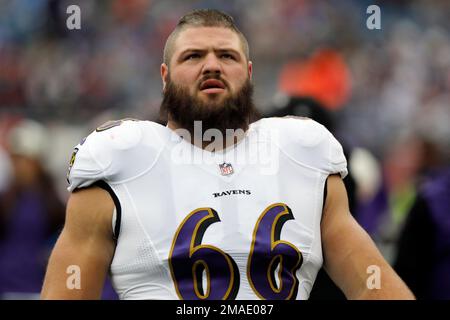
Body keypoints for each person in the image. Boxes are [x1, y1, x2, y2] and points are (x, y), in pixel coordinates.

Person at [41, 9, 414, 300]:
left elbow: (371, 285)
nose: (212, 65)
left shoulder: (303, 153)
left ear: (249, 74)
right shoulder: (118, 160)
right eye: (193, 56)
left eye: (226, 55)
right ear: (165, 76)